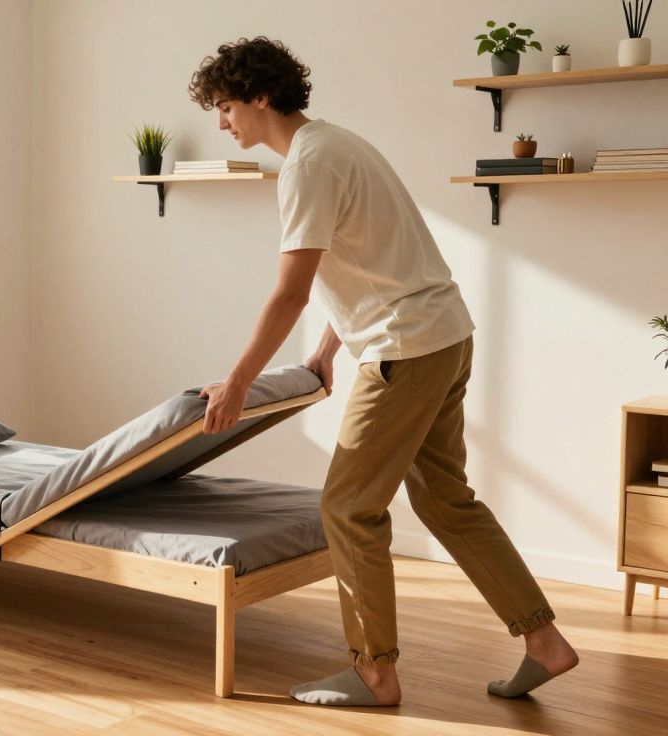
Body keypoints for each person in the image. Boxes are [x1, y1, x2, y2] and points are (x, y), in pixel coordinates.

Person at [187, 37, 579, 706]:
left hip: (406, 350)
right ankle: (544, 642)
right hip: (445, 336)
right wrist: (325, 353)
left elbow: (291, 289)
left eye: (224, 107)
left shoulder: (307, 166)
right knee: (445, 499)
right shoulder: (340, 144)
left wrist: (239, 381)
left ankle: (374, 672)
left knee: (347, 505)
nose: (221, 122)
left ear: (258, 96)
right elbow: (371, 260)